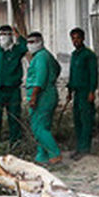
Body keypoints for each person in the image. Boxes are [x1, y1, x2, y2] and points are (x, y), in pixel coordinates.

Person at [0, 24, 28, 142]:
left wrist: (17, 34)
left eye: (6, 34)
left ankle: (15, 143)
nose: (3, 37)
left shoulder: (17, 50)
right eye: (1, 34)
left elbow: (25, 46)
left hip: (13, 90)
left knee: (14, 118)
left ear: (11, 36)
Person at [24, 31, 62, 165]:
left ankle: (55, 153)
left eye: (33, 42)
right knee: (44, 125)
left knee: (38, 127)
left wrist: (34, 96)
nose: (30, 45)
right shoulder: (46, 55)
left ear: (41, 42)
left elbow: (39, 80)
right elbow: (57, 68)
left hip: (42, 96)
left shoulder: (40, 58)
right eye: (28, 42)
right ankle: (42, 155)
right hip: (49, 93)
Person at [64, 27, 98, 159]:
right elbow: (72, 74)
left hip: (85, 92)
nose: (75, 41)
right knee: (77, 120)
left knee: (86, 120)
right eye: (73, 38)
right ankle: (79, 148)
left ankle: (85, 148)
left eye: (78, 38)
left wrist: (92, 91)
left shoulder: (88, 55)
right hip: (77, 92)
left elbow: (93, 74)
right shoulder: (74, 55)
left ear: (83, 38)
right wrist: (69, 91)